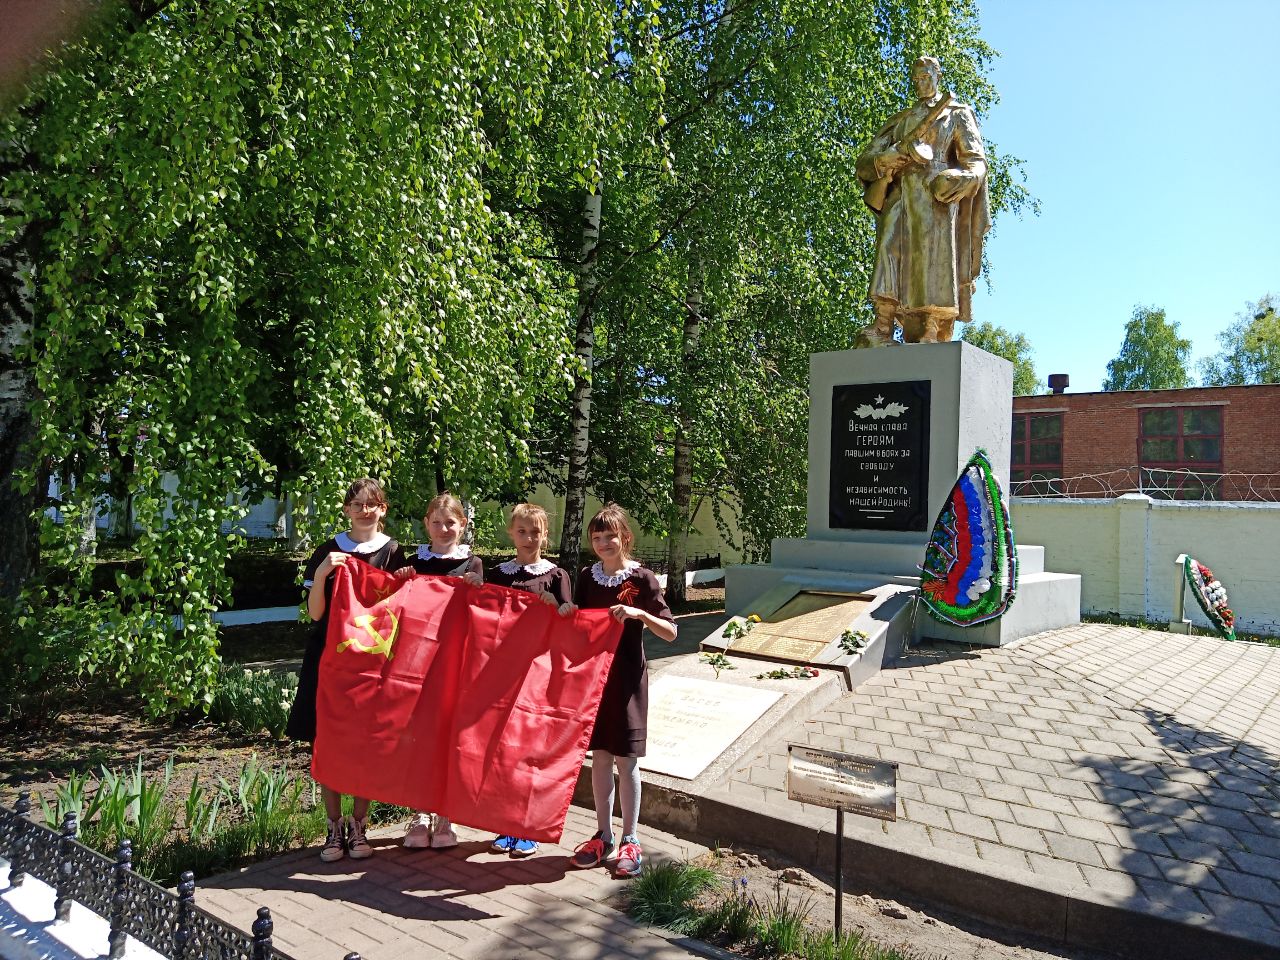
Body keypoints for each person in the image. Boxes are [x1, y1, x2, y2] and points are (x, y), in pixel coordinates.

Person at [285, 478, 407, 862]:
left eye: (371, 504)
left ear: (382, 509)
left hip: (371, 665)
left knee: (365, 745)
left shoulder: (393, 552)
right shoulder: (327, 549)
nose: (364, 510)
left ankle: (359, 827)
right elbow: (316, 613)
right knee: (327, 741)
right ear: (346, 509)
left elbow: (403, 610)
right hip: (329, 660)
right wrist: (322, 574)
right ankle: (333, 829)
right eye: (356, 504)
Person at [557, 503, 677, 878]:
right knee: (600, 758)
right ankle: (603, 834)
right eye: (597, 537)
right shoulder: (588, 578)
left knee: (626, 760)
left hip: (626, 680)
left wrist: (640, 615)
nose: (604, 542)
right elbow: (577, 620)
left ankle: (631, 838)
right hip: (595, 681)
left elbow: (671, 632)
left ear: (625, 536)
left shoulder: (642, 580)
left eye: (610, 535)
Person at [854, 55, 990, 346]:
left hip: (934, 197)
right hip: (900, 198)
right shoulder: (902, 120)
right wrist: (885, 159)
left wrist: (961, 178)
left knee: (933, 261)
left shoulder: (955, 113)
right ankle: (883, 325)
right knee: (889, 251)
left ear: (937, 76)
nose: (921, 84)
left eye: (926, 77)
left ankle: (931, 327)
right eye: (916, 79)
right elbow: (863, 163)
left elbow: (976, 160)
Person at [482, 503, 573, 859]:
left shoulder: (556, 576)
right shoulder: (498, 573)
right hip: (502, 672)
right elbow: (485, 616)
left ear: (544, 535)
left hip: (539, 674)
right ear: (511, 533)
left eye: (535, 532)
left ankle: (528, 825)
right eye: (522, 531)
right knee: (503, 750)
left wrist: (556, 606)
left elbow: (570, 624)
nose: (529, 538)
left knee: (530, 750)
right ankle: (505, 823)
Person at [394, 491, 484, 849]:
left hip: (455, 663)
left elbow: (485, 612)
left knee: (448, 739)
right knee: (418, 739)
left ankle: (445, 815)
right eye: (437, 523)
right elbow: (394, 603)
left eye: (451, 523)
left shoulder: (473, 564)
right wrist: (400, 579)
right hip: (418, 662)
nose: (444, 529)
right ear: (426, 525)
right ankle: (419, 814)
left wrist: (478, 590)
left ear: (462, 525)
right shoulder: (416, 564)